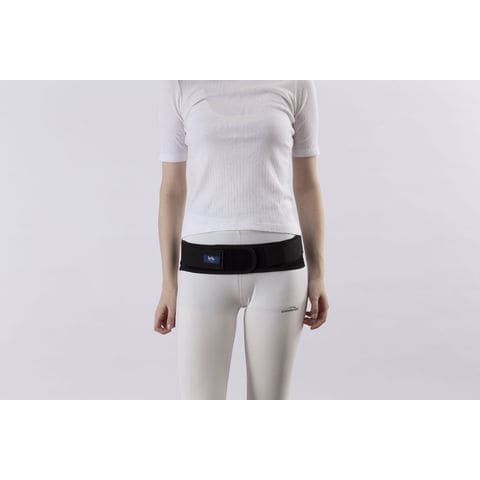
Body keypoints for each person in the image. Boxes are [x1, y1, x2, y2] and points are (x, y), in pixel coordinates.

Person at [154, 80, 329, 400]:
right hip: (203, 272)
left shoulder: (295, 83)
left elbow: (307, 184)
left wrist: (317, 274)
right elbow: (172, 189)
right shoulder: (181, 84)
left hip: (279, 270)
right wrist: (168, 284)